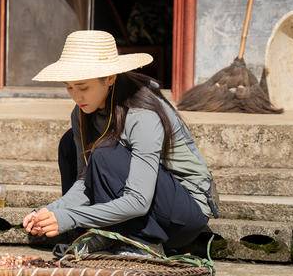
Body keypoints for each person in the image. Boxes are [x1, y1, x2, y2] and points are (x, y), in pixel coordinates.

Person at [23, 30, 217, 254]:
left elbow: (138, 201)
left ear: (110, 78)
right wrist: (50, 211)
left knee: (104, 154)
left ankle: (141, 241)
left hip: (181, 215)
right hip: (137, 206)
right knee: (69, 143)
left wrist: (71, 216)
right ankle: (97, 233)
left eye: (83, 87)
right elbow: (87, 181)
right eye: (69, 87)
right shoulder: (80, 115)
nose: (76, 97)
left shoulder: (142, 115)